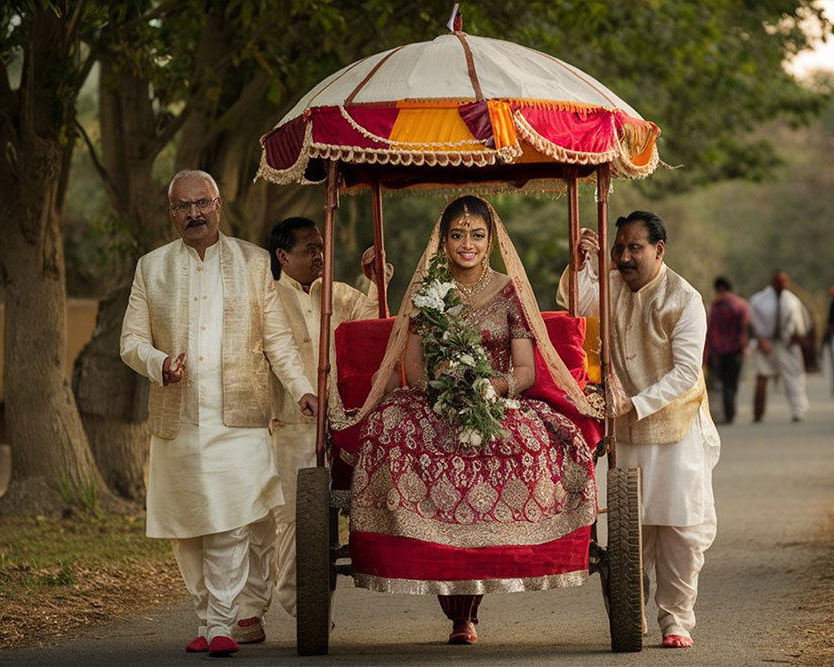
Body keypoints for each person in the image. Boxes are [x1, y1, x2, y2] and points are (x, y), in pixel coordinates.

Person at [345, 196, 600, 646]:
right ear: (443, 241)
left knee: (530, 443)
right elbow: (415, 368)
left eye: (477, 235)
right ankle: (452, 597)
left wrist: (489, 389)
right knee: (393, 435)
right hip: (432, 400)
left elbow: (526, 372)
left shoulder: (510, 291)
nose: (468, 244)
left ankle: (476, 596)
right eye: (458, 235)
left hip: (497, 398)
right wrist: (444, 391)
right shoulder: (428, 291)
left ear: (491, 240)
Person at [119, 170, 317, 656]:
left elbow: (277, 340)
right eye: (184, 207)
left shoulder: (253, 262)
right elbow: (130, 342)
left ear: (218, 205)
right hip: (177, 421)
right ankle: (207, 616)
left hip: (240, 419)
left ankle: (223, 624)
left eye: (202, 203)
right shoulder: (151, 267)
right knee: (187, 528)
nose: (194, 214)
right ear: (172, 214)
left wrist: (303, 389)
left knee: (229, 520)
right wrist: (159, 363)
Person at [555, 211, 720, 649]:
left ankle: (676, 619)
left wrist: (636, 402)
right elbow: (577, 306)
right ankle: (632, 615)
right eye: (618, 249)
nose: (624, 258)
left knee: (681, 530)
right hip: (627, 432)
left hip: (677, 431)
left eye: (635, 249)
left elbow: (687, 372)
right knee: (631, 533)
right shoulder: (610, 286)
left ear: (658, 250)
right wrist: (578, 264)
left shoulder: (684, 298)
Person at [233, 217, 389, 643]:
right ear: (283, 256)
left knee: (308, 518)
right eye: (309, 249)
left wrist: (376, 281)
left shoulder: (335, 293)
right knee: (275, 519)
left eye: (321, 247)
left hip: (340, 418)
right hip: (284, 422)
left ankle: (305, 607)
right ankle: (272, 608)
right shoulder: (264, 297)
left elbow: (375, 325)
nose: (320, 255)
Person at [748, 271, 810, 423]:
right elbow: (751, 324)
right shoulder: (759, 300)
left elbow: (801, 324)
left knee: (793, 376)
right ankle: (758, 413)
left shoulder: (791, 300)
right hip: (765, 342)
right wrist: (760, 341)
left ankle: (798, 410)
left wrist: (795, 339)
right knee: (762, 376)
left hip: (786, 343)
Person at [705, 276, 750, 424]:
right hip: (736, 351)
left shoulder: (714, 307)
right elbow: (745, 328)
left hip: (719, 352)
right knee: (732, 382)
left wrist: (708, 353)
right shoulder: (740, 305)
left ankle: (727, 412)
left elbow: (709, 330)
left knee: (722, 383)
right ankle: (730, 411)